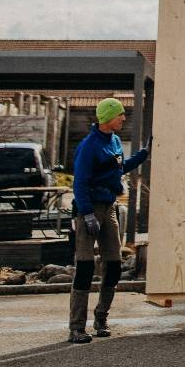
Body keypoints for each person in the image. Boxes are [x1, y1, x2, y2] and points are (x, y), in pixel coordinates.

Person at [67, 97, 150, 344]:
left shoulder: (113, 141)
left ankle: (101, 318)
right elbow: (79, 182)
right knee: (84, 267)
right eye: (120, 115)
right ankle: (76, 327)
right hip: (89, 208)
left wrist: (143, 155)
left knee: (113, 264)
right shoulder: (89, 146)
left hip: (110, 206)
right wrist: (87, 213)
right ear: (107, 118)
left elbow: (118, 168)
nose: (124, 119)